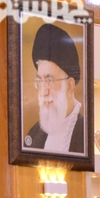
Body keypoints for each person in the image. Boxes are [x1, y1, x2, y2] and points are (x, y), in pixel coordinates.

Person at [22, 22, 84, 154]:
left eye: (49, 81)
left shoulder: (84, 134)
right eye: (40, 81)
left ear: (69, 86)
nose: (43, 92)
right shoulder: (34, 135)